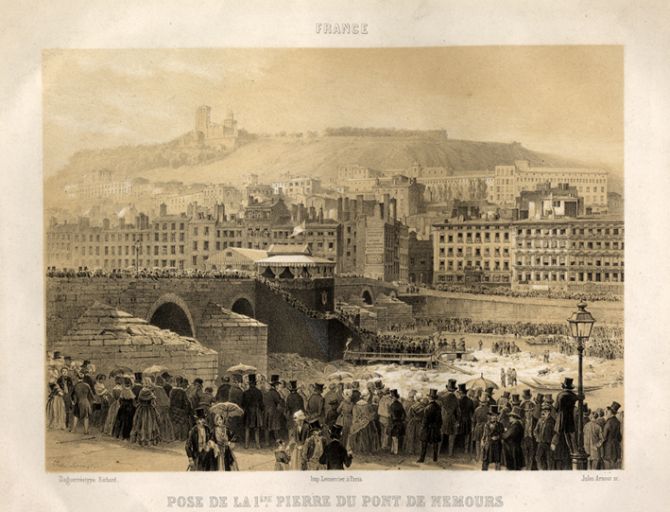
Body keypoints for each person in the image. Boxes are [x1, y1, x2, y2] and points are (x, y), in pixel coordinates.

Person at [553, 377, 577, 469]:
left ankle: (557, 449)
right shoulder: (573, 395)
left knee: (559, 434)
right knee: (570, 436)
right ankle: (572, 451)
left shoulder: (560, 395)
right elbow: (580, 398)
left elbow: (556, 408)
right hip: (570, 418)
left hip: (561, 418)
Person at [130, 376, 161, 446]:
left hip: (141, 409)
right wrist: (153, 397)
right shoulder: (149, 392)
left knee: (141, 424)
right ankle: (149, 441)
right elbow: (153, 402)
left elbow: (139, 400)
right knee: (149, 424)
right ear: (149, 383)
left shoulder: (142, 390)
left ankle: (141, 441)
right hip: (148, 409)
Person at [417, 389, 442, 463]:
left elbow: (425, 421)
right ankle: (435, 458)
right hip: (435, 428)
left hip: (427, 428)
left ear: (430, 398)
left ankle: (422, 458)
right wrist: (438, 427)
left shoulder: (427, 408)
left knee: (424, 444)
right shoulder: (438, 407)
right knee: (435, 444)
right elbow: (440, 420)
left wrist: (422, 428)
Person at [241, 374, 264, 449]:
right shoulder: (259, 392)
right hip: (256, 412)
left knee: (247, 429)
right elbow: (261, 404)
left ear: (249, 384)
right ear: (255, 384)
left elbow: (242, 404)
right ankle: (258, 445)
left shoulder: (245, 393)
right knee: (256, 429)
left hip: (248, 412)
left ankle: (246, 445)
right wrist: (261, 410)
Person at [439, 379, 460, 456]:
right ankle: (450, 453)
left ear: (447, 388)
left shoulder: (442, 397)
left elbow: (440, 408)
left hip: (443, 418)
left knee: (441, 435)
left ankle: (437, 452)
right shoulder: (456, 399)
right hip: (452, 419)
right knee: (451, 437)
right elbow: (458, 411)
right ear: (454, 390)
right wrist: (457, 420)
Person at [169, 377, 193, 441]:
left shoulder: (172, 390)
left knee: (175, 423)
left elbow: (170, 400)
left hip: (173, 409)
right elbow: (186, 402)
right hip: (181, 410)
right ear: (181, 383)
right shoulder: (182, 391)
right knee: (183, 424)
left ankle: (176, 437)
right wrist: (189, 409)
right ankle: (182, 438)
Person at [481, 405, 504, 471]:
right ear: (489, 416)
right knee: (486, 460)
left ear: (497, 416)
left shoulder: (500, 425)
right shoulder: (486, 425)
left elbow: (502, 434)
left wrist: (498, 437)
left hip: (497, 445)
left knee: (498, 460)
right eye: (492, 416)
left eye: (495, 416)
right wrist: (483, 441)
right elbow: (484, 435)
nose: (494, 417)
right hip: (488, 444)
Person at [263, 376, 284, 446]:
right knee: (275, 428)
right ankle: (278, 443)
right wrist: (282, 398)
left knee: (267, 428)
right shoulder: (275, 393)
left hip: (266, 412)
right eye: (277, 385)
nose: (278, 386)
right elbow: (279, 402)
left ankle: (267, 442)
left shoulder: (267, 393)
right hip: (273, 412)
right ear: (275, 385)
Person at [534, 403, 555, 470]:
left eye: (545, 411)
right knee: (538, 457)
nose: (543, 412)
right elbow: (535, 431)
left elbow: (555, 433)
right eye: (543, 410)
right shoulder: (540, 420)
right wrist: (537, 438)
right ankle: (541, 471)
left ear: (549, 412)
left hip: (548, 443)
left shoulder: (552, 421)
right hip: (540, 443)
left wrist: (553, 442)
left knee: (549, 459)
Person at [602, 401, 622, 469]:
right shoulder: (618, 422)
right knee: (614, 466)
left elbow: (604, 437)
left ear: (610, 412)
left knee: (608, 466)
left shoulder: (608, 422)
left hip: (608, 448)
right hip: (616, 447)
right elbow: (619, 437)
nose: (607, 413)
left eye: (608, 411)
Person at [457, 383, 475, 455]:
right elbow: (472, 412)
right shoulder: (470, 401)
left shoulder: (458, 401)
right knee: (467, 435)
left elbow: (457, 411)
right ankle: (466, 450)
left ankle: (459, 448)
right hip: (467, 420)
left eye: (459, 393)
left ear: (461, 393)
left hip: (460, 419)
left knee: (460, 434)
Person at [388, 389, 406, 455]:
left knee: (394, 437)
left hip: (394, 423)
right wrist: (401, 420)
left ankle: (395, 451)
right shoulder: (400, 404)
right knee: (395, 437)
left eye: (392, 397)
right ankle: (392, 450)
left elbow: (392, 416)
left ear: (394, 397)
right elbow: (404, 414)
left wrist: (393, 420)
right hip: (399, 423)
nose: (391, 398)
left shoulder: (392, 405)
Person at [472, 397, 489, 461]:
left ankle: (477, 457)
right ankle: (482, 457)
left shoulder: (477, 409)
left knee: (477, 442)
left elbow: (473, 419)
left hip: (478, 427)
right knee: (484, 442)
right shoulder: (488, 410)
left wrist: (473, 427)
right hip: (485, 427)